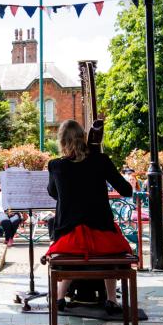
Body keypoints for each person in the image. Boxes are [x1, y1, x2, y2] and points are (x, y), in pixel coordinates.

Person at [46, 119, 133, 315]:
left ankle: (59, 298)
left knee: (75, 248)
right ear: (83, 138)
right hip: (102, 234)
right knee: (108, 248)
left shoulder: (55, 165)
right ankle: (111, 300)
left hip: (68, 236)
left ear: (60, 141)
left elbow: (53, 193)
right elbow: (126, 190)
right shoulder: (100, 160)